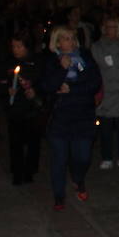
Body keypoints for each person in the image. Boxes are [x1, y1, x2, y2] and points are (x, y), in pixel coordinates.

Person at [38, 25, 101, 211]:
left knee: (83, 156)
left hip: (83, 115)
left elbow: (95, 83)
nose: (71, 42)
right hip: (60, 117)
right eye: (66, 38)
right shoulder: (51, 60)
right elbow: (47, 86)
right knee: (59, 158)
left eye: (73, 38)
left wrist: (72, 89)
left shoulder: (85, 57)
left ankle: (78, 178)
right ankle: (59, 196)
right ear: (57, 42)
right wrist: (61, 69)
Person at [0, 31, 45, 185]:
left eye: (19, 46)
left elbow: (43, 83)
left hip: (32, 110)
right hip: (15, 109)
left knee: (33, 142)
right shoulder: (7, 62)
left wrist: (35, 92)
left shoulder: (36, 62)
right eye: (13, 46)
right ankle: (17, 172)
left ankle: (30, 171)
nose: (16, 50)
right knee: (16, 143)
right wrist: (7, 90)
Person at [93, 16, 119, 171]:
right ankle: (107, 157)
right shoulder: (97, 46)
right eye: (108, 26)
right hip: (106, 92)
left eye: (114, 27)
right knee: (105, 127)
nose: (111, 30)